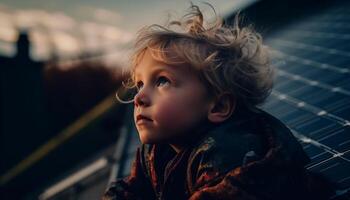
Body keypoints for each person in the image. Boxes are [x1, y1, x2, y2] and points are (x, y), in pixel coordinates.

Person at [103, 4, 335, 200]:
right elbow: (133, 189)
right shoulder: (155, 150)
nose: (139, 98)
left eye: (162, 81)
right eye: (140, 83)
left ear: (218, 106)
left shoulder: (227, 155)